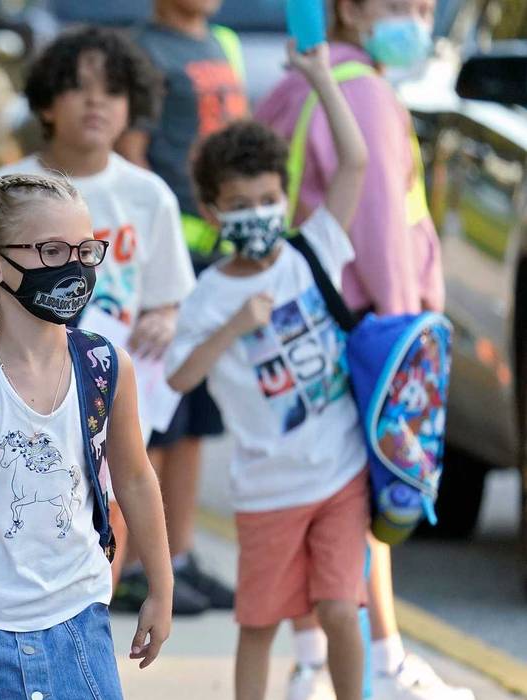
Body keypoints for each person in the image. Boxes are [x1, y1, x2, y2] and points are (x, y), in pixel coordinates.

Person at [255, 3, 469, 699]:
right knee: (366, 504)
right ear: (348, 8)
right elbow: (379, 223)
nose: (415, 16)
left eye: (422, 6)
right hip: (366, 328)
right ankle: (383, 661)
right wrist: (407, 335)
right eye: (396, 4)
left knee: (312, 501)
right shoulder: (367, 93)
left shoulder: (292, 85)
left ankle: (312, 663)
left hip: (296, 323)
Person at [0, 26, 198, 607]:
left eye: (112, 91)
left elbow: (170, 295)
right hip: (21, 385)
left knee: (107, 503)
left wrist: (165, 319)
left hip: (106, 389)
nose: (96, 102)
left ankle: (87, 614)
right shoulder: (5, 190)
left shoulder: (148, 195)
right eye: (78, 88)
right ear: (44, 102)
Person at [0, 174, 173, 698]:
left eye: (85, 250)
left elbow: (136, 479)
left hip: (79, 620)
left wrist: (162, 587)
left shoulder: (104, 366)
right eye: (51, 251)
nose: (74, 268)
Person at [165, 40, 369, 700]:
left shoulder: (309, 254)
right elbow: (179, 378)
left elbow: (355, 163)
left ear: (284, 198)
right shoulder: (206, 297)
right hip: (267, 492)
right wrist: (233, 327)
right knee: (257, 624)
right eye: (238, 204)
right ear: (212, 212)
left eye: (266, 198)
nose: (256, 215)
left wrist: (319, 80)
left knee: (341, 610)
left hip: (339, 471)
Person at [115, 0, 250, 615]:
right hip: (173, 259)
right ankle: (139, 560)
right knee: (159, 413)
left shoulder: (222, 40)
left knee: (197, 415)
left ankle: (183, 553)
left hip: (218, 255)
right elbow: (135, 152)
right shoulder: (145, 52)